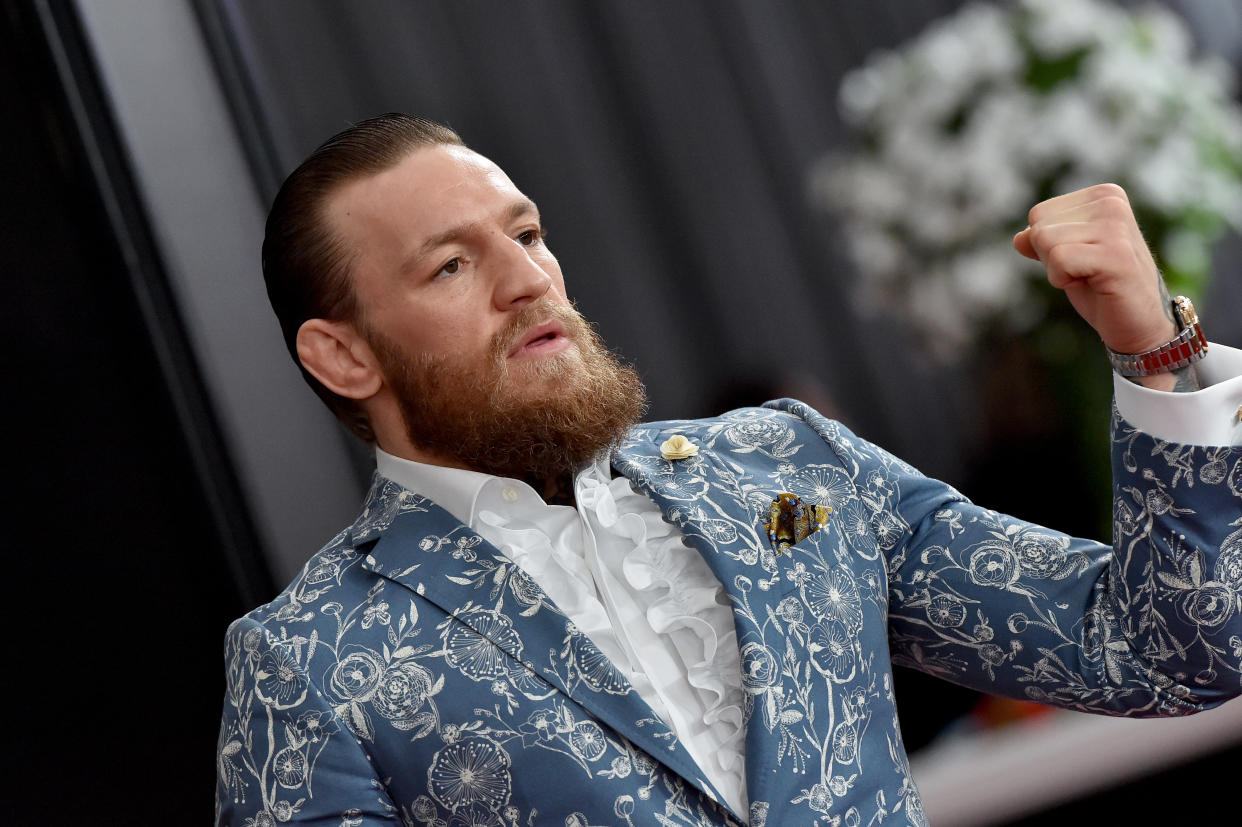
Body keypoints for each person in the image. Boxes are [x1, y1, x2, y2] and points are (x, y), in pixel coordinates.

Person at [216, 114, 1242, 827]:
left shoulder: (786, 466)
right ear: (343, 354)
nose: (530, 279)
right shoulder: (308, 662)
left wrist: (1153, 351)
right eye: (452, 265)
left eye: (526, 234)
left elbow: (1161, 653)